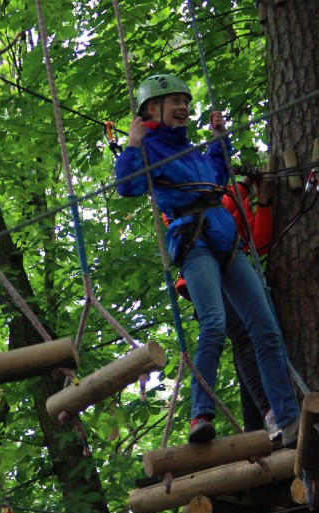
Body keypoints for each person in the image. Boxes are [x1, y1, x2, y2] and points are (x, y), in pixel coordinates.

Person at [114, 73, 300, 446]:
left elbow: (216, 176)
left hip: (226, 241)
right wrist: (133, 144)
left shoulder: (191, 151)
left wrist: (219, 141)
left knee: (266, 328)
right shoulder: (149, 150)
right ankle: (201, 414)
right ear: (153, 109)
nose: (184, 108)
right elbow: (128, 186)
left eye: (186, 102)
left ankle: (288, 417)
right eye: (174, 102)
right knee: (214, 323)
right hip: (194, 241)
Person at [174, 173, 278, 436]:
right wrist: (241, 188)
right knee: (243, 336)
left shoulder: (237, 199)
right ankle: (269, 412)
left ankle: (256, 426)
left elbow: (259, 242)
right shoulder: (204, 192)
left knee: (253, 341)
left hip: (233, 268)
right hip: (205, 269)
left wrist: (264, 204)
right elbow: (217, 214)